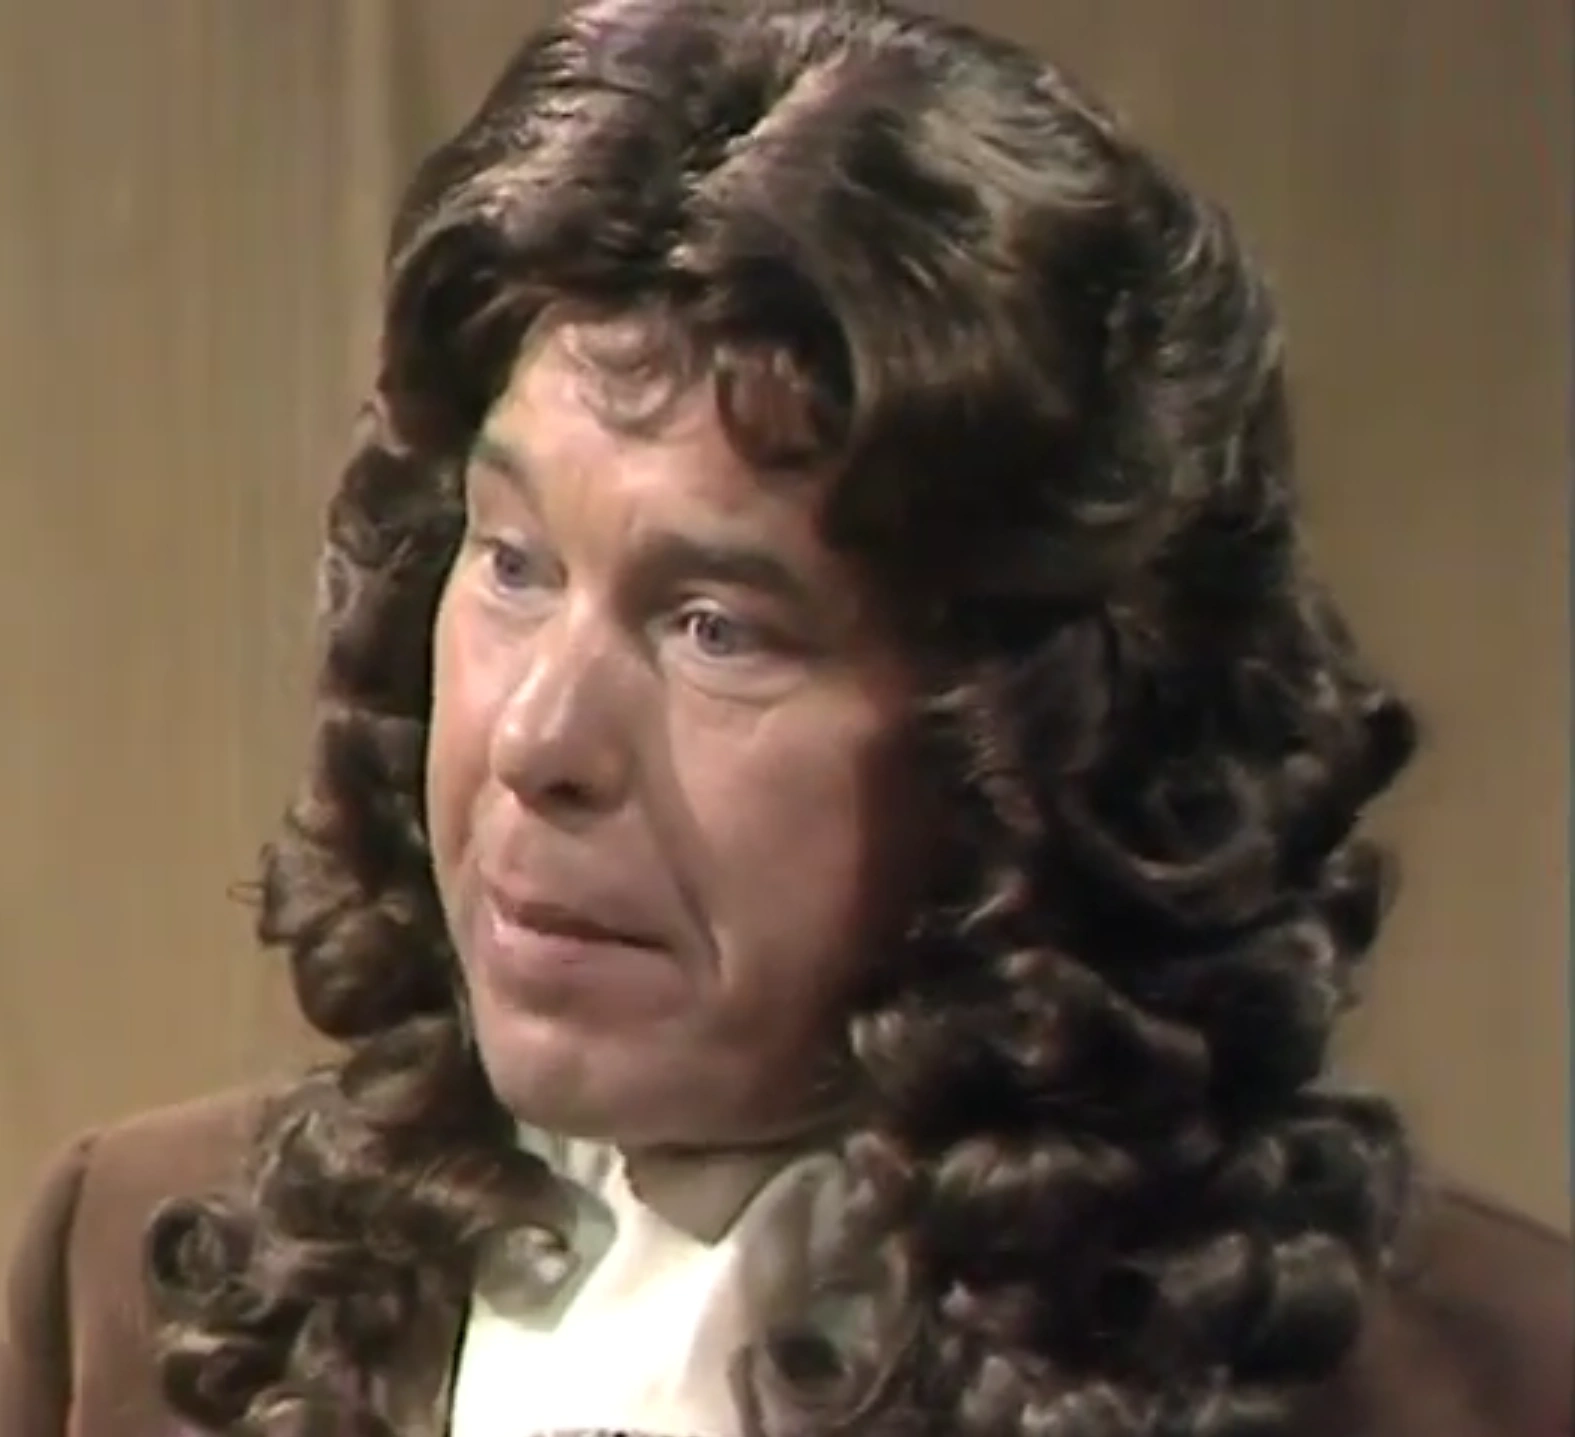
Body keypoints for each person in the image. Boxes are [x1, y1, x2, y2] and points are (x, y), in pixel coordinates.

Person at [2, 2, 1568, 1434]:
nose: (537, 742)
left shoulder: (1486, 1385)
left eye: (715, 629)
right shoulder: (132, 1281)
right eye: (515, 563)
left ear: (1029, 747)